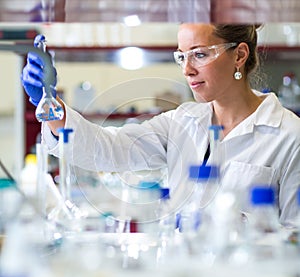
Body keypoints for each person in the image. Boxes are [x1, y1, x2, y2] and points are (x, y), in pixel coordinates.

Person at [21, 23, 300, 228]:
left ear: (239, 55)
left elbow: (294, 238)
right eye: (181, 56)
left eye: (200, 54)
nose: (187, 69)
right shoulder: (183, 122)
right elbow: (110, 148)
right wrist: (50, 101)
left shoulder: (289, 136)